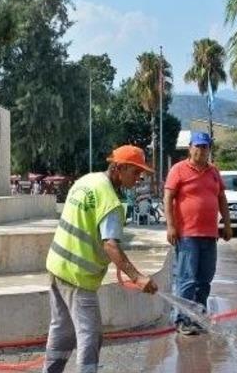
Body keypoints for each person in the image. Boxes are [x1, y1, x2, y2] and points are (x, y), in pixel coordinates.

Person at [43, 145, 158, 373]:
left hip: (57, 266)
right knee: (90, 336)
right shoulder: (111, 203)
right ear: (119, 168)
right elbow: (110, 245)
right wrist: (137, 277)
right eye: (135, 172)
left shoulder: (88, 181)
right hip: (78, 277)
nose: (139, 178)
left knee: (62, 331)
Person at [163, 132, 232, 336]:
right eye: (197, 146)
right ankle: (182, 319)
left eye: (205, 147)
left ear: (209, 149)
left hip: (210, 234)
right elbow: (168, 198)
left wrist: (227, 224)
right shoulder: (178, 170)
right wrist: (170, 226)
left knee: (205, 279)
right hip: (187, 235)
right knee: (187, 279)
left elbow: (221, 198)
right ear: (190, 147)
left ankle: (198, 316)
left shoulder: (213, 172)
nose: (201, 151)